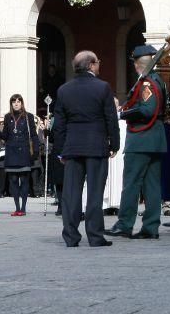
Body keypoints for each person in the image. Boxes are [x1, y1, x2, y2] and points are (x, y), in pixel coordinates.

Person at [53, 51, 120, 247]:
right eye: (98, 62)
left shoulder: (64, 90)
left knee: (71, 194)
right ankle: (95, 236)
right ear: (91, 65)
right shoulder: (103, 88)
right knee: (95, 193)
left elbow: (59, 124)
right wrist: (114, 144)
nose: (99, 65)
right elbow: (110, 118)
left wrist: (60, 151)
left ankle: (71, 236)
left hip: (72, 147)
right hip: (96, 146)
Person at [106, 45, 168, 240]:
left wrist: (123, 114)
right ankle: (150, 227)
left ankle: (125, 223)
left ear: (137, 65)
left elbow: (148, 110)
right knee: (152, 186)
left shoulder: (148, 83)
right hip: (155, 140)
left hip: (142, 139)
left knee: (132, 184)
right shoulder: (156, 80)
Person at [0, 95, 40, 216]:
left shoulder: (28, 116)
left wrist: (35, 151)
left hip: (24, 151)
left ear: (22, 103)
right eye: (14, 101)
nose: (16, 103)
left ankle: (23, 208)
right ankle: (17, 207)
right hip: (11, 151)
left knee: (24, 181)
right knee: (13, 181)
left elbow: (34, 135)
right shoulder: (8, 117)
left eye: (19, 101)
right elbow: (5, 136)